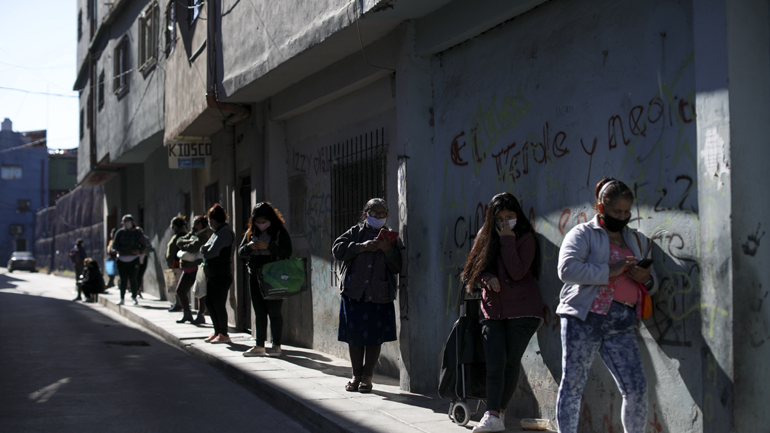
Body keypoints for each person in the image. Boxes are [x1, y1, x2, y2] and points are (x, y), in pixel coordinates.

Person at [555, 177, 658, 433]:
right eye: (616, 211)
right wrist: (610, 270)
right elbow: (566, 270)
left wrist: (646, 278)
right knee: (573, 385)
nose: (622, 217)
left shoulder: (636, 240)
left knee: (636, 388)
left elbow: (651, 283)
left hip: (622, 321)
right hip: (585, 318)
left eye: (626, 212)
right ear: (600, 207)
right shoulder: (583, 234)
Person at [459, 192, 544, 433]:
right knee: (495, 363)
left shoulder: (526, 238)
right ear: (491, 219)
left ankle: (497, 413)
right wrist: (487, 278)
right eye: (500, 219)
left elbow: (518, 272)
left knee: (509, 363)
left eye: (510, 217)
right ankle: (494, 414)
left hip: (522, 312)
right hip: (492, 310)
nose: (505, 222)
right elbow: (472, 272)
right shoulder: (484, 237)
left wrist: (507, 239)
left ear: (518, 216)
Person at [332, 198, 401, 393]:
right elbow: (337, 250)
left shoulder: (391, 238)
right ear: (365, 214)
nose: (378, 217)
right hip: (355, 293)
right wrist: (361, 246)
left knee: (374, 338)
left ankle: (367, 377)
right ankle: (356, 375)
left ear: (386, 216)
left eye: (382, 214)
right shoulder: (356, 232)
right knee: (354, 337)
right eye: (373, 213)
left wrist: (388, 251)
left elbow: (397, 266)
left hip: (379, 295)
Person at [239, 202, 293, 357]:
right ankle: (259, 345)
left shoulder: (279, 232)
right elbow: (240, 252)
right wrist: (250, 247)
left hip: (274, 277)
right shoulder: (251, 232)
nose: (261, 224)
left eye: (264, 221)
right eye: (258, 221)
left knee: (274, 311)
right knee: (259, 312)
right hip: (254, 275)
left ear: (270, 219)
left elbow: (287, 252)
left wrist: (268, 247)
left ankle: (276, 345)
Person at [200, 204, 235, 344]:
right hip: (213, 274)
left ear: (213, 221)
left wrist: (205, 251)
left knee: (219, 304)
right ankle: (217, 331)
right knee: (210, 303)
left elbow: (211, 252)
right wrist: (204, 250)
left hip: (221, 274)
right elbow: (204, 248)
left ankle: (224, 334)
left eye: (210, 221)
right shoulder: (216, 233)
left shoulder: (225, 233)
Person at [176, 215, 211, 324]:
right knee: (180, 291)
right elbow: (179, 241)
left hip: (197, 268)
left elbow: (194, 248)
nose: (195, 226)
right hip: (187, 269)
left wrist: (185, 246)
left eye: (197, 224)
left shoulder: (204, 236)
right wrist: (188, 243)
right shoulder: (193, 234)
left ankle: (201, 315)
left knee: (200, 292)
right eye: (194, 223)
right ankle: (187, 314)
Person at [110, 214, 145, 306]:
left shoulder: (137, 233)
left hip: (134, 259)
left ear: (132, 222)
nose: (127, 223)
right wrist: (116, 251)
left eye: (128, 221)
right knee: (123, 279)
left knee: (133, 279)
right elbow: (114, 246)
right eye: (125, 221)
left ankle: (134, 297)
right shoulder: (120, 233)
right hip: (122, 259)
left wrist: (139, 251)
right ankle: (122, 298)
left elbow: (144, 245)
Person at [165, 215, 188, 318]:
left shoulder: (181, 234)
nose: (172, 227)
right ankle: (177, 303)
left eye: (172, 225)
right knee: (176, 285)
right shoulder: (178, 234)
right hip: (175, 264)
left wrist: (176, 259)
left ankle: (179, 304)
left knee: (178, 286)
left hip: (178, 263)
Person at [135, 226, 153, 300]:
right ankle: (135, 290)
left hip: (143, 258)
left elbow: (150, 248)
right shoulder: (133, 239)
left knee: (140, 275)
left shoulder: (145, 239)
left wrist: (144, 251)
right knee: (134, 275)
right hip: (134, 259)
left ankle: (138, 290)